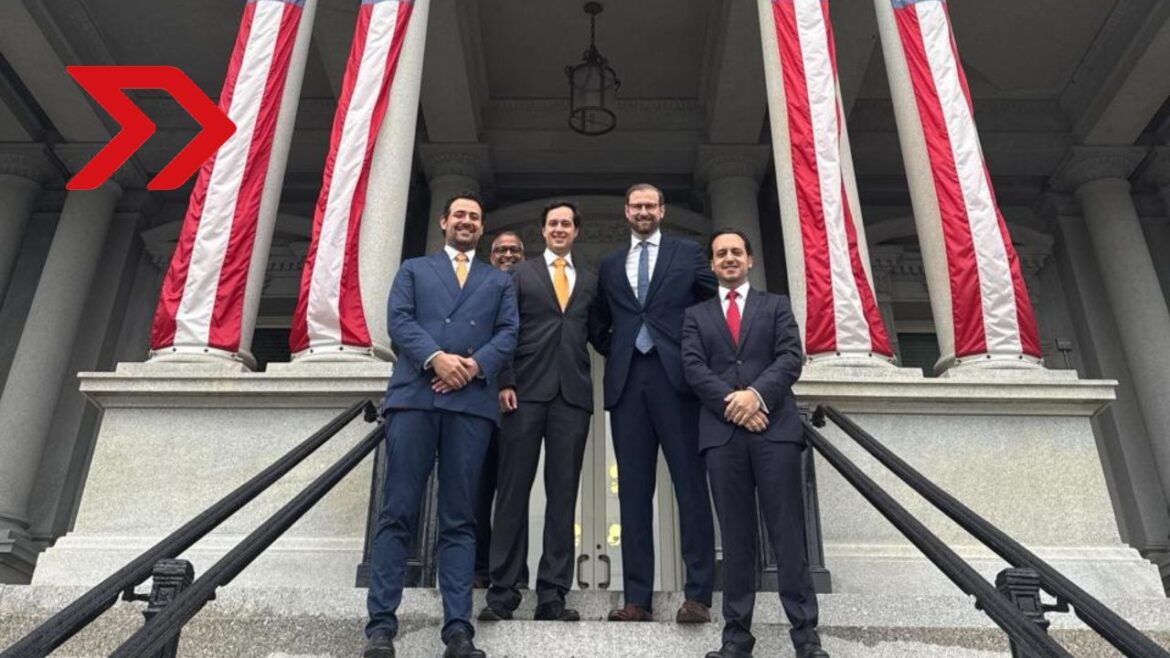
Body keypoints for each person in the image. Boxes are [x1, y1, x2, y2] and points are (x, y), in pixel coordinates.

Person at [364, 192, 518, 658]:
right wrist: (437, 358)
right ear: (444, 222)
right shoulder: (413, 269)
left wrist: (472, 367)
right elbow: (399, 321)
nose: (467, 222)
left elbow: (508, 333)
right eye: (460, 215)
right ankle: (381, 626)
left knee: (460, 518)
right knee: (397, 511)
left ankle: (458, 630)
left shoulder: (498, 280)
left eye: (475, 217)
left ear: (481, 226)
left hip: (469, 405)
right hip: (415, 398)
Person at [681, 229, 827, 658]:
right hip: (723, 435)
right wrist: (736, 403)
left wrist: (756, 396)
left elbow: (790, 357)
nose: (728, 258)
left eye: (736, 252)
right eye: (720, 253)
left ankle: (805, 635)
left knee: (788, 533)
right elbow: (693, 366)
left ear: (749, 260)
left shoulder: (776, 306)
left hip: (774, 431)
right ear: (712, 264)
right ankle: (736, 636)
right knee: (736, 536)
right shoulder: (696, 316)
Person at [589, 183, 718, 623]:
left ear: (662, 210)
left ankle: (698, 595)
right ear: (626, 212)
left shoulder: (687, 254)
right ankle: (636, 599)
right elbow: (598, 321)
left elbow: (714, 304)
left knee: (690, 486)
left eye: (650, 205)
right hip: (628, 383)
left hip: (677, 380)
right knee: (632, 493)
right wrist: (619, 349)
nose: (643, 212)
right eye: (636, 206)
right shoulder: (611, 264)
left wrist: (692, 350)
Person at [480, 201, 596, 623]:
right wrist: (505, 380)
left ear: (575, 231)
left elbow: (599, 331)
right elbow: (503, 329)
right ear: (543, 231)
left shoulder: (590, 280)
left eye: (566, 223)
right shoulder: (518, 274)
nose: (559, 229)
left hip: (572, 396)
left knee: (563, 496)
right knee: (513, 491)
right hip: (523, 392)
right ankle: (503, 591)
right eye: (553, 224)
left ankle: (552, 594)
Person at [474, 231, 528, 590]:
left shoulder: (531, 289)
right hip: (478, 398)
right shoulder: (479, 288)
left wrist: (509, 382)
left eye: (515, 250)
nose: (507, 255)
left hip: (521, 402)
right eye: (500, 250)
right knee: (477, 488)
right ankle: (478, 567)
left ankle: (513, 573)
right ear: (490, 255)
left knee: (513, 490)